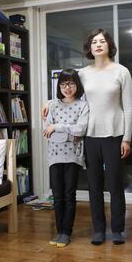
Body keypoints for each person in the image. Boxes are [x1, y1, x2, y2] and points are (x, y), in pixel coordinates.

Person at [43, 29, 132, 245]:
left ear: (109, 45)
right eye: (94, 41)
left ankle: (118, 229)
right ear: (90, 47)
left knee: (114, 184)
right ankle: (99, 230)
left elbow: (129, 108)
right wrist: (46, 103)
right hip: (89, 136)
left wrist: (127, 139)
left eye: (102, 41)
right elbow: (65, 91)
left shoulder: (122, 72)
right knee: (94, 186)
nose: (98, 44)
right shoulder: (82, 73)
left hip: (114, 134)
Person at [43, 68, 89, 248]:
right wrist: (68, 133)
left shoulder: (83, 105)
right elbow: (47, 131)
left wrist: (58, 127)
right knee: (57, 195)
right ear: (59, 86)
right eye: (63, 84)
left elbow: (81, 130)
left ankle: (66, 232)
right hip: (54, 156)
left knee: (69, 195)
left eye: (71, 83)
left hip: (73, 156)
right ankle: (59, 230)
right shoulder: (52, 105)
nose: (67, 88)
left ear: (77, 85)